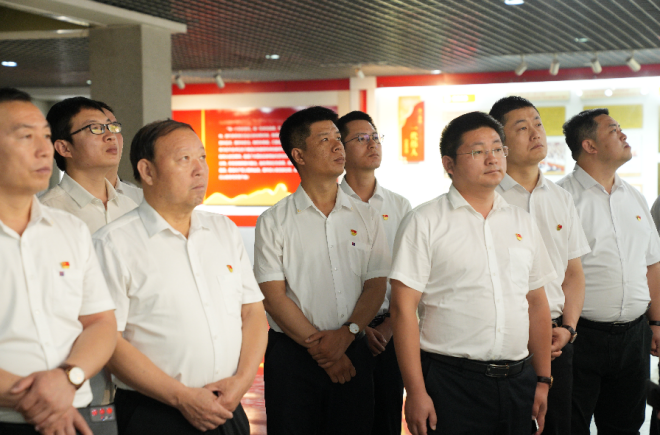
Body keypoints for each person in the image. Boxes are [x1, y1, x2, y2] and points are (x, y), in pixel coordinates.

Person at [93, 119, 267, 435]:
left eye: (202, 157)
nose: (200, 170)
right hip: (155, 413)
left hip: (228, 406)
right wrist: (182, 397)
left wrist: (242, 382)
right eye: (184, 159)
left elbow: (253, 312)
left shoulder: (223, 230)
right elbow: (107, 339)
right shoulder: (113, 243)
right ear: (147, 171)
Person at [390, 111, 556, 435]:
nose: (492, 158)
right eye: (478, 151)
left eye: (497, 149)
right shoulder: (424, 221)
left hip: (518, 381)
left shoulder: (521, 221)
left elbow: (537, 303)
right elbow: (402, 309)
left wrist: (542, 380)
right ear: (449, 164)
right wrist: (416, 392)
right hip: (452, 383)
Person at [253, 106, 391, 435]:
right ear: (299, 155)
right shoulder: (274, 221)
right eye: (325, 139)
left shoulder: (367, 216)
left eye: (338, 138)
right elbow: (273, 297)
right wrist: (325, 352)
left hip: (354, 347)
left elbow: (376, 285)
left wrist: (348, 333)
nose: (338, 145)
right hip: (292, 357)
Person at [0, 88, 117, 435]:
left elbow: (100, 323)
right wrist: (38, 398)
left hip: (74, 412)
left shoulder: (69, 229)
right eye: (26, 137)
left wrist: (68, 379)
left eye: (45, 136)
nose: (44, 150)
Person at [490, 96, 590, 435]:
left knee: (557, 426)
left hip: (557, 339)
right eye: (522, 128)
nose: (536, 133)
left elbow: (573, 273)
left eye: (538, 124)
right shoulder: (488, 197)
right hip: (505, 338)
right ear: (501, 142)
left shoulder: (561, 198)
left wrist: (569, 329)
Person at [557, 108, 660, 435]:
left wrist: (656, 322)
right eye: (614, 130)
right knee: (571, 425)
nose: (624, 135)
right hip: (580, 336)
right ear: (589, 145)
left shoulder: (635, 197)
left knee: (626, 426)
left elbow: (652, 264)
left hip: (634, 337)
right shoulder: (561, 198)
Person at [336, 110, 411, 435]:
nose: (372, 144)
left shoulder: (399, 206)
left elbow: (410, 274)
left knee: (387, 419)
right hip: (342, 335)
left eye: (376, 137)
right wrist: (358, 327)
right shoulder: (330, 206)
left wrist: (391, 325)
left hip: (390, 334)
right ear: (340, 148)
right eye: (361, 138)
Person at [40, 97, 138, 235]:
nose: (111, 136)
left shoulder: (131, 207)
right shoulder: (47, 213)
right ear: (64, 148)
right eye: (95, 128)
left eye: (111, 126)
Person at [94, 100, 144, 205]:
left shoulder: (142, 200)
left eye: (114, 127)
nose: (111, 136)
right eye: (97, 128)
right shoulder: (59, 205)